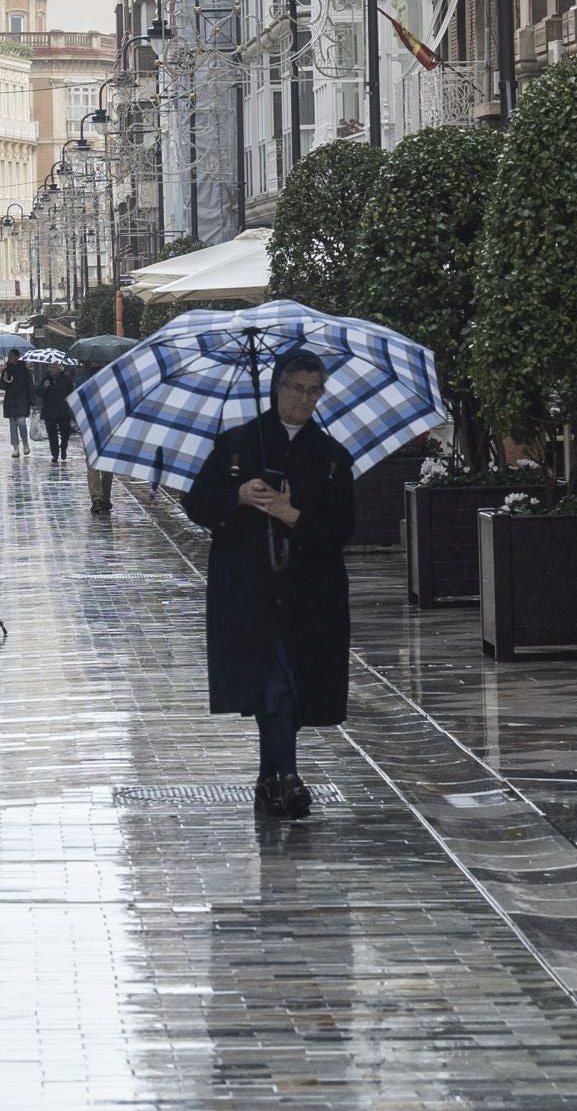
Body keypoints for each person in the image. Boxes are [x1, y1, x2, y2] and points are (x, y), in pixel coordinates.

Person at [181, 350, 355, 821]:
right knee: (272, 682)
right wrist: (236, 495)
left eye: (315, 390)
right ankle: (289, 777)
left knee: (291, 685)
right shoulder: (238, 445)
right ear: (278, 386)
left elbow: (342, 531)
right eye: (297, 388)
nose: (305, 399)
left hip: (310, 593)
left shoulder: (332, 457)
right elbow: (196, 503)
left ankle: (269, 777)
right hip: (248, 587)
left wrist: (290, 514)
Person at [81, 364, 114, 513]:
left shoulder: (84, 387)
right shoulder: (113, 387)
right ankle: (104, 497)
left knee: (93, 465)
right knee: (107, 465)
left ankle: (97, 499)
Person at [0, 349, 34, 458]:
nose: (10, 357)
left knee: (21, 422)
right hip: (10, 400)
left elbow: (30, 386)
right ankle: (15, 448)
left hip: (23, 400)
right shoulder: (6, 370)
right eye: (9, 355)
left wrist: (32, 401)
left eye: (12, 355)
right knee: (12, 425)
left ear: (17, 357)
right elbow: (2, 387)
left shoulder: (25, 370)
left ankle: (25, 442)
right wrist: (4, 379)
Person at [35, 362, 75, 462]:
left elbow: (71, 394)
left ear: (59, 369)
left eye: (54, 367)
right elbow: (39, 393)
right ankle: (55, 454)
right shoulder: (46, 379)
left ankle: (64, 447)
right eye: (50, 367)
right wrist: (44, 387)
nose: (51, 369)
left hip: (63, 411)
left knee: (65, 432)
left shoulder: (66, 380)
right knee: (52, 434)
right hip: (49, 411)